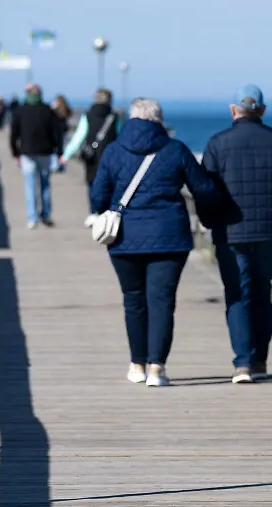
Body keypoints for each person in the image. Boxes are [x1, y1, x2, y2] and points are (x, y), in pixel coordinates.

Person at [91, 98, 220, 387]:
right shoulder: (175, 149)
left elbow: (98, 196)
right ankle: (156, 369)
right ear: (159, 121)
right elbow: (204, 189)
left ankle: (136, 364)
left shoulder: (113, 151)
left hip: (124, 239)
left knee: (133, 301)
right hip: (169, 237)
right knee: (161, 302)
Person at [201, 84, 272, 384]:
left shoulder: (217, 143)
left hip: (230, 233)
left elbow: (206, 190)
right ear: (262, 110)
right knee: (261, 293)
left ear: (233, 110)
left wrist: (211, 222)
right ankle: (260, 361)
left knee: (237, 295)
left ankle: (242, 363)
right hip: (267, 232)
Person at [63, 89, 124, 227]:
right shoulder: (114, 116)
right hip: (111, 157)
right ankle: (108, 213)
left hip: (92, 157)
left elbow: (79, 136)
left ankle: (94, 212)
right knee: (110, 185)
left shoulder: (88, 115)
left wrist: (66, 154)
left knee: (92, 184)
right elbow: (120, 137)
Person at [10, 84, 64, 228]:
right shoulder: (48, 110)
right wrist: (59, 152)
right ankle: (46, 214)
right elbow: (57, 133)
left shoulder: (20, 111)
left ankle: (32, 218)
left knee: (30, 186)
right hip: (45, 152)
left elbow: (14, 133)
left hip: (27, 153)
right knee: (45, 184)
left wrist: (15, 153)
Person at [50, 95, 73, 173]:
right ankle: (61, 164)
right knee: (62, 148)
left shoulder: (55, 111)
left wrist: (52, 108)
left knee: (56, 148)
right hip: (63, 131)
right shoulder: (65, 109)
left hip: (57, 131)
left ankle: (55, 165)